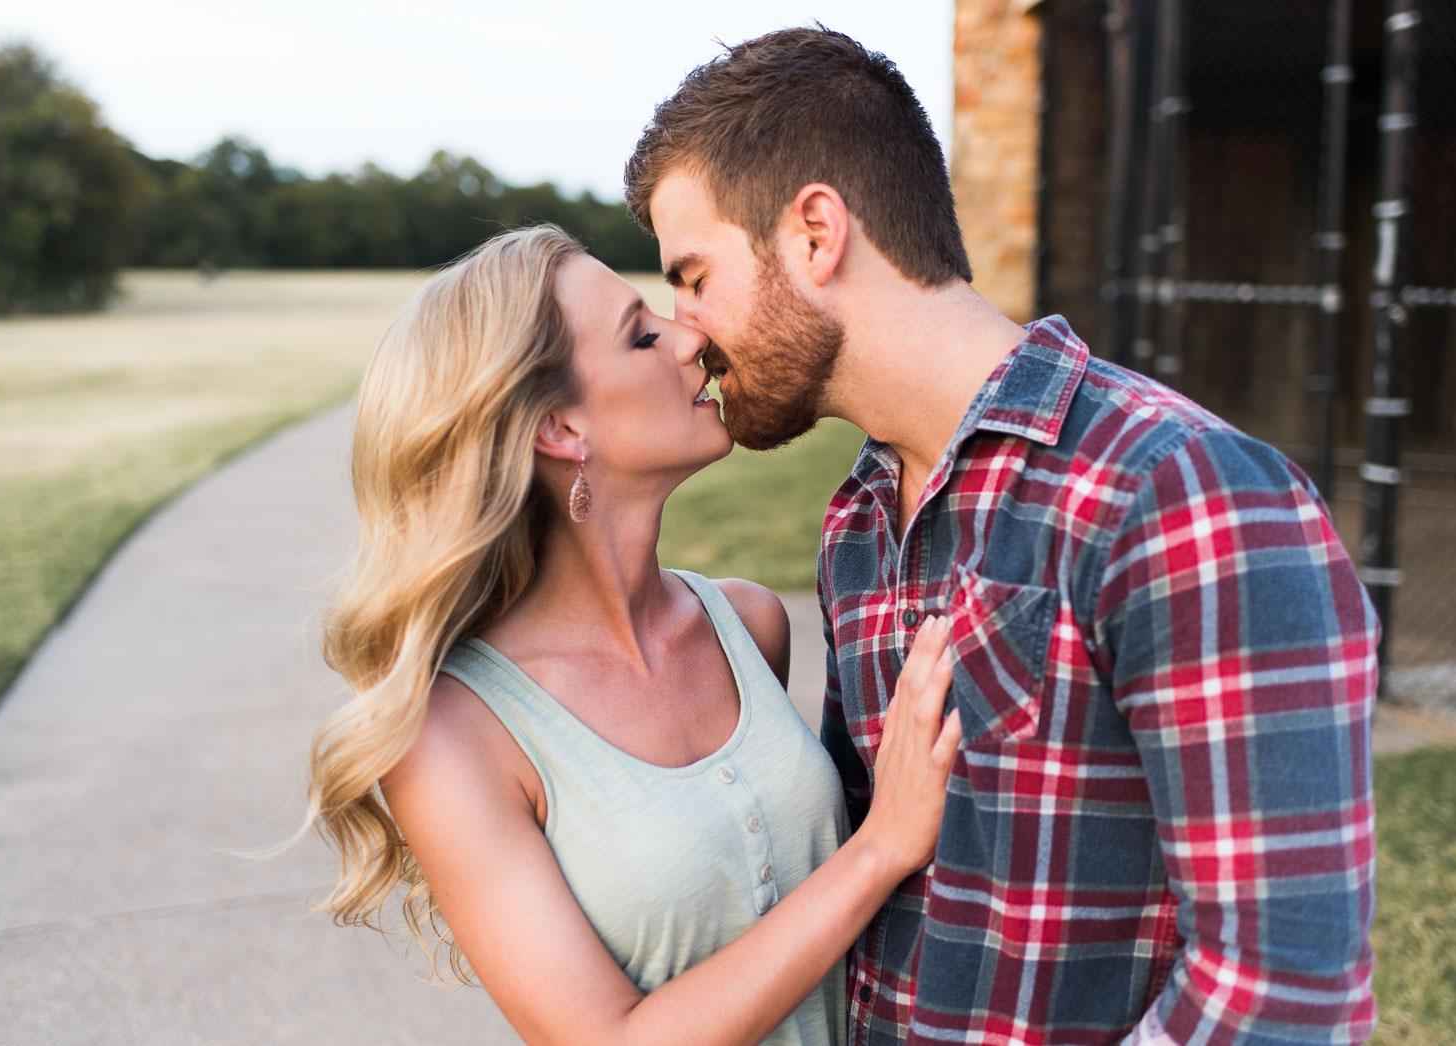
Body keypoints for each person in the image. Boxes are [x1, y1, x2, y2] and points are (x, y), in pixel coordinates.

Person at [624, 26, 1379, 1046]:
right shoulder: (858, 519)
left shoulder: (1180, 489)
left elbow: (1278, 992)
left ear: (813, 232)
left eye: (694, 274)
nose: (683, 329)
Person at [306, 224, 964, 1046]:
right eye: (642, 335)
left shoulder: (748, 625)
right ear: (559, 429)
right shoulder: (451, 736)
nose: (693, 339)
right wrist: (880, 850)